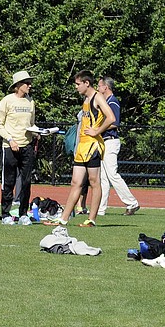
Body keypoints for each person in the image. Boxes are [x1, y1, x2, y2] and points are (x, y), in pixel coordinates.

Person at [51, 70, 116, 227]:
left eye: (78, 84)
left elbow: (111, 118)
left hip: (92, 146)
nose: (76, 87)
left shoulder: (97, 97)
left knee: (94, 182)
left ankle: (91, 219)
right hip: (82, 146)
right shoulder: (86, 99)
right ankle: (63, 218)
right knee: (76, 182)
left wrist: (97, 131)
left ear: (87, 83)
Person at [0, 71, 36, 221]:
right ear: (18, 85)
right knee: (9, 181)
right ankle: (6, 214)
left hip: (27, 146)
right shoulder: (7, 101)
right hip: (10, 146)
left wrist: (38, 132)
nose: (29, 86)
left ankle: (23, 214)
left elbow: (30, 124)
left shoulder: (31, 102)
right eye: (27, 83)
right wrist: (10, 140)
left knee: (26, 182)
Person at [96, 77, 139, 216]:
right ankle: (100, 209)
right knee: (103, 177)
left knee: (112, 174)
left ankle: (132, 202)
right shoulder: (105, 102)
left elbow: (115, 122)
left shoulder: (112, 102)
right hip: (104, 142)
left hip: (110, 140)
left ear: (105, 88)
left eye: (99, 86)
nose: (98, 88)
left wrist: (98, 129)